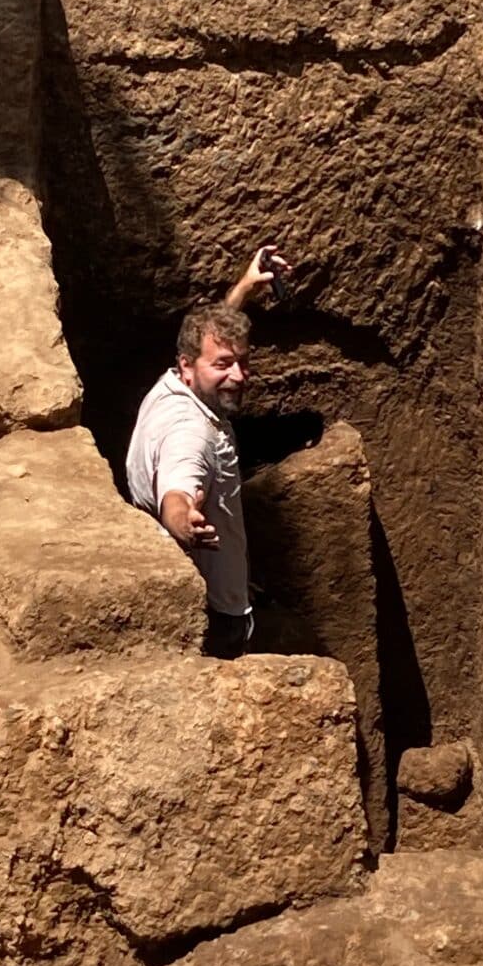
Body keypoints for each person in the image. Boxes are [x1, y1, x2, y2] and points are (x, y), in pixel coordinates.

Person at [125, 246, 289, 658]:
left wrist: (245, 287)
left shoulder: (172, 386)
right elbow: (177, 491)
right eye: (224, 365)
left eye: (242, 362)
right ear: (187, 365)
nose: (239, 375)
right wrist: (183, 521)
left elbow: (210, 342)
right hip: (217, 612)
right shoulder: (190, 432)